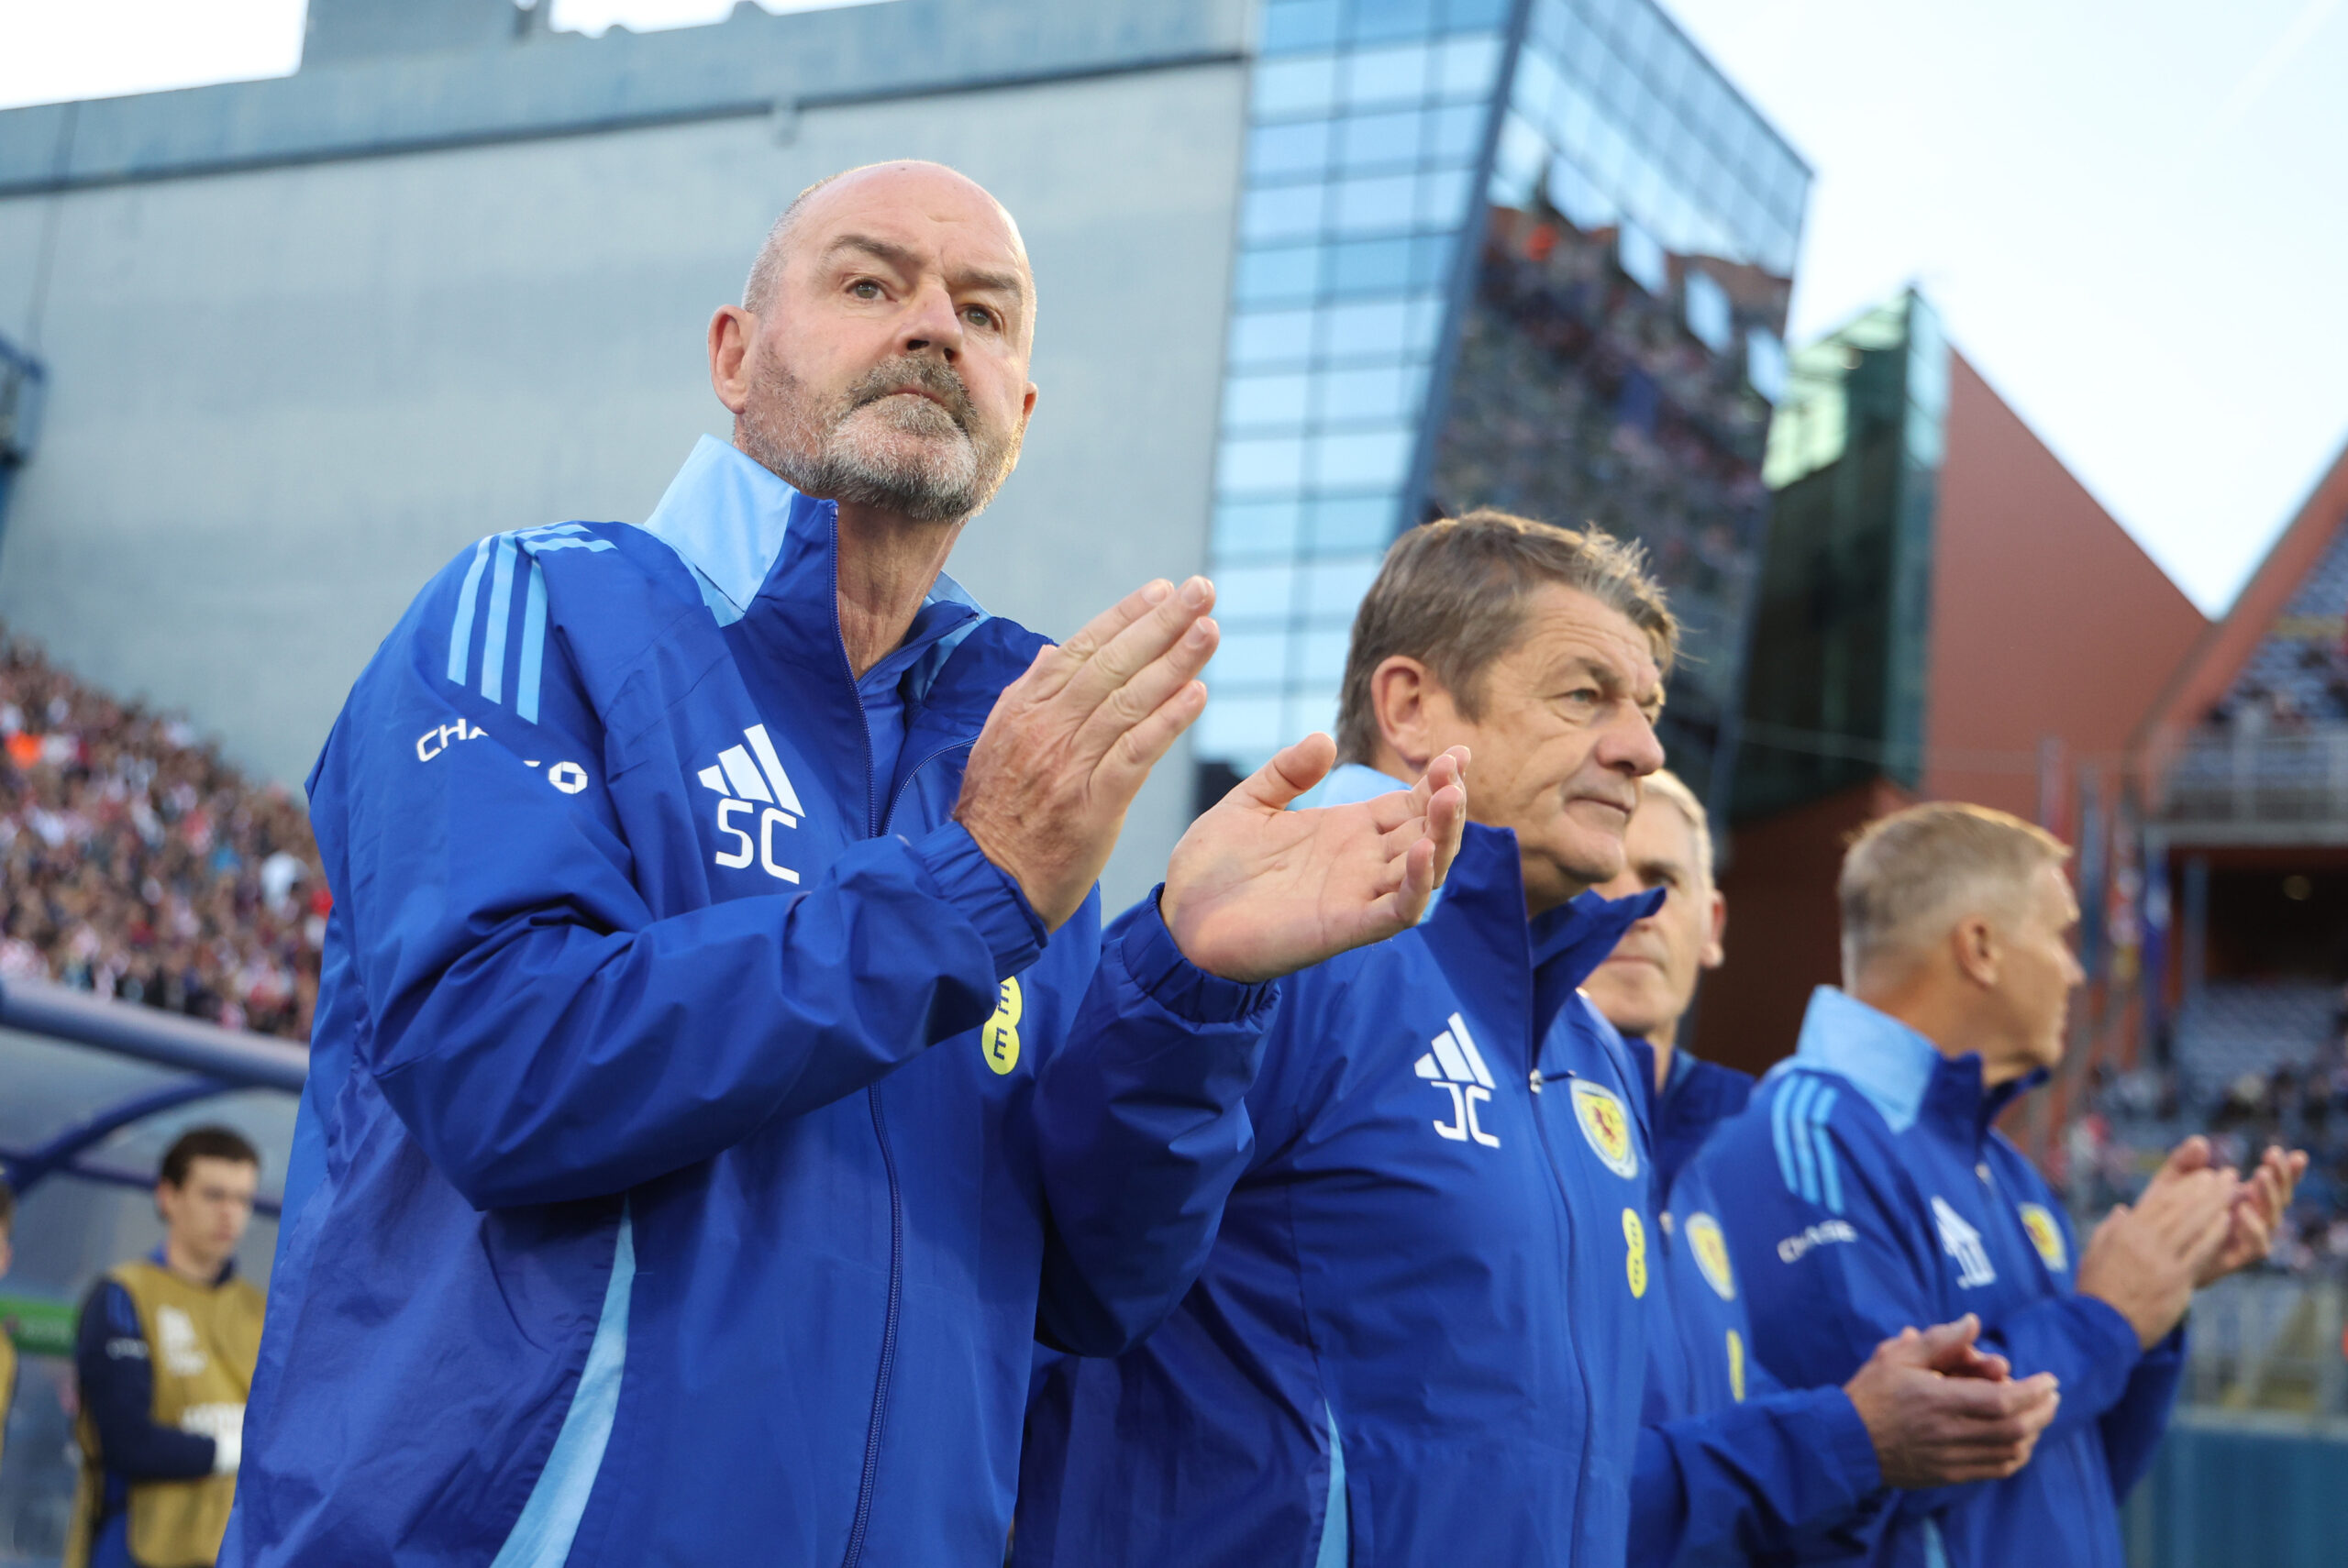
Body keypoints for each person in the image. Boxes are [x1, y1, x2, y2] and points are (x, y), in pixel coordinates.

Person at [224, 160, 1466, 1568]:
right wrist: (968, 886)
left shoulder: (1021, 757)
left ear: (1022, 417)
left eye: (987, 316)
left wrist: (1184, 990)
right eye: (872, 284)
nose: (937, 327)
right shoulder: (539, 606)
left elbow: (1084, 1287)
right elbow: (501, 1067)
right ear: (735, 355)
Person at [1015, 513, 2053, 1568]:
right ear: (1411, 705)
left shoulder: (1589, 1051)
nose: (1643, 750)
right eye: (1584, 696)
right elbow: (1082, 1270)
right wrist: (1189, 981)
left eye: (1646, 709)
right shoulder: (1283, 943)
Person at [1694, 802, 2309, 1566]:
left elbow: (2078, 1475)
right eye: (2059, 936)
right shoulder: (1807, 1135)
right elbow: (1882, 1459)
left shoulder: (2004, 1166)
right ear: (1980, 947)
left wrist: (2163, 1286)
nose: (2078, 971)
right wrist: (2107, 1317)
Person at [1588, 778, 2059, 1566]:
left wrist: (2153, 1327)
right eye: (1600, 876)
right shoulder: (1797, 1134)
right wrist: (2110, 1320)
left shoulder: (1701, 1156)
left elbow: (1800, 1468)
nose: (1630, 907)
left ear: (1713, 924)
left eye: (1660, 881)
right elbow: (1536, 1491)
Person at [67, 1128, 263, 1568]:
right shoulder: (123, 1295)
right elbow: (129, 1442)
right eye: (214, 1195)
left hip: (231, 1554)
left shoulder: (262, 1310)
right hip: (135, 1551)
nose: (230, 1213)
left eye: (243, 1199)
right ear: (168, 1196)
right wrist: (234, 1450)